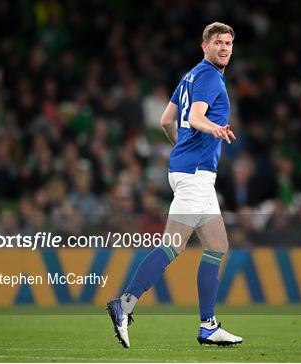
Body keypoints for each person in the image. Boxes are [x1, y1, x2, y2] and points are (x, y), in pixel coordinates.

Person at [106, 22, 242, 348]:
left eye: (228, 43)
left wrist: (181, 148)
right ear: (204, 45)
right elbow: (195, 117)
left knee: (217, 245)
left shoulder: (190, 76)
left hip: (190, 171)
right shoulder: (209, 77)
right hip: (195, 174)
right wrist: (213, 130)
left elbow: (167, 120)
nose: (224, 48)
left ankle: (208, 326)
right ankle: (123, 305)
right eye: (217, 42)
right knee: (173, 246)